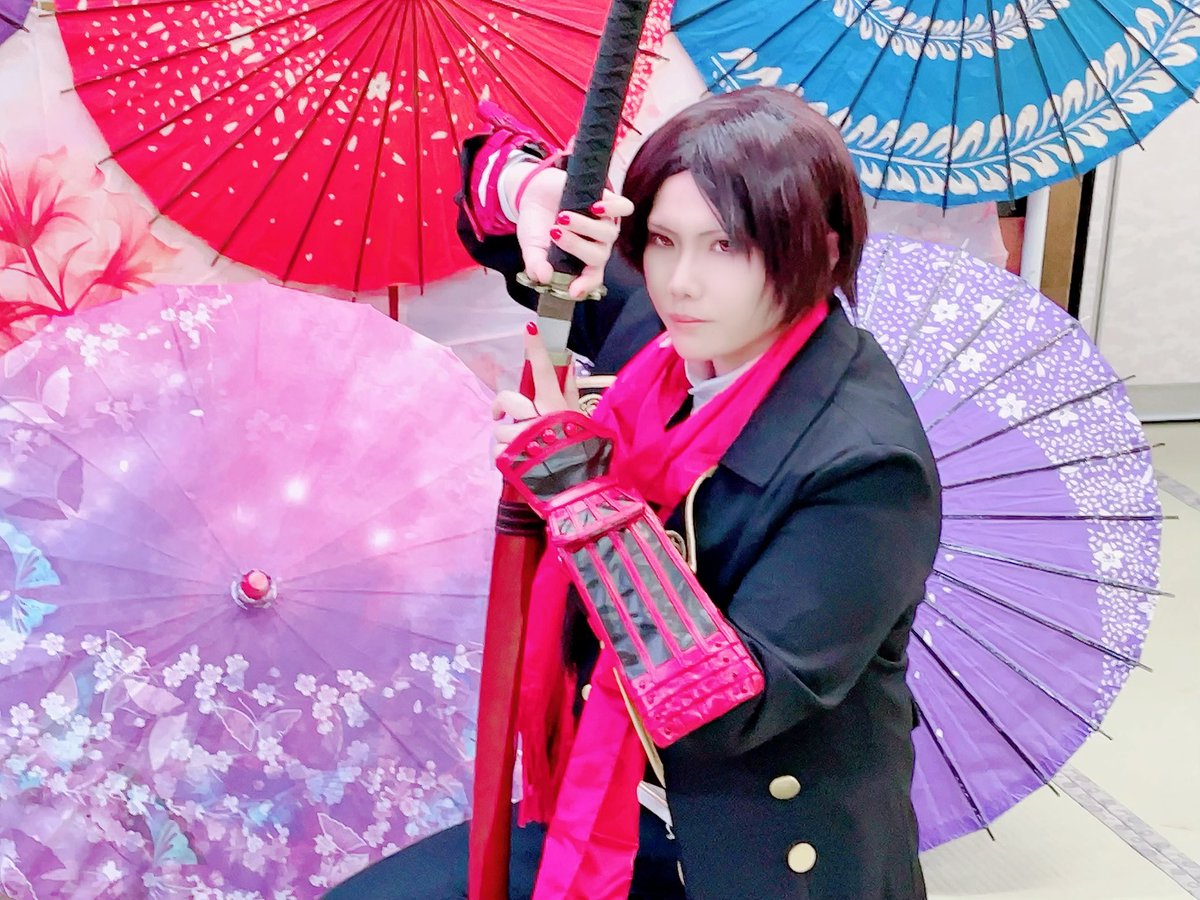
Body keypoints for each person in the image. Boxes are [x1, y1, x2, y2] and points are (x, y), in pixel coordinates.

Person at [329, 85, 940, 899]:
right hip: (608, 793)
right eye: (661, 239)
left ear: (823, 249)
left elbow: (725, 710)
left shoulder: (867, 467)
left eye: (728, 246)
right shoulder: (661, 335)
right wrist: (533, 192)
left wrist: (578, 490)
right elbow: (491, 207)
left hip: (760, 853)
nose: (682, 281)